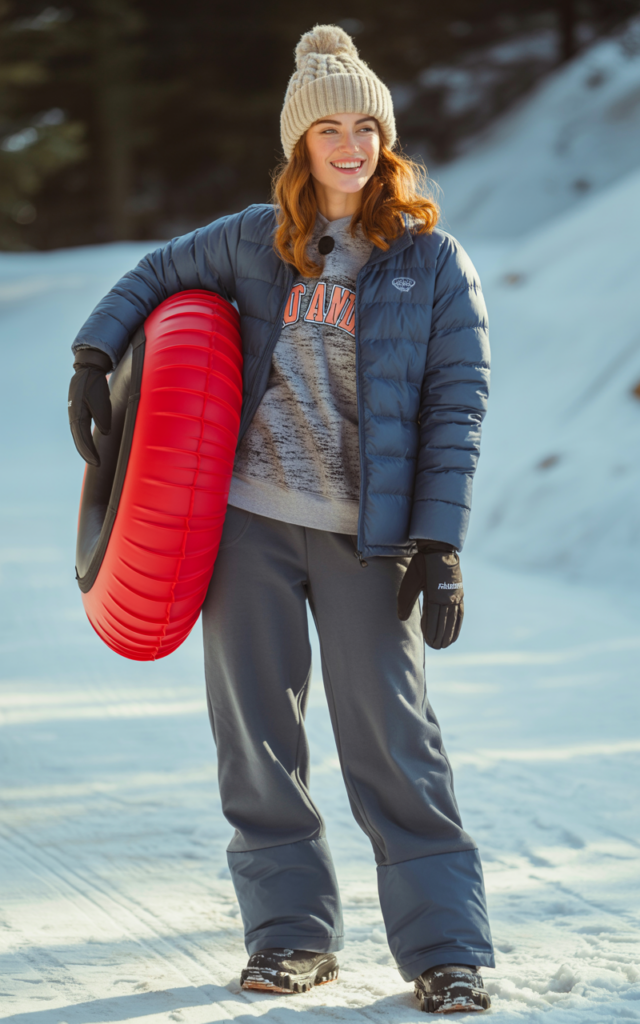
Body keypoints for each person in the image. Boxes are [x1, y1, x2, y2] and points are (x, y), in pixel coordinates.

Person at [68, 24, 494, 1015]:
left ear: (384, 138)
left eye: (365, 127)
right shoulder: (253, 239)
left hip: (368, 533)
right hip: (247, 525)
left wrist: (439, 543)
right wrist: (94, 358)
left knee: (394, 741)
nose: (349, 146)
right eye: (328, 130)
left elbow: (457, 403)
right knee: (256, 739)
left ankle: (445, 950)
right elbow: (147, 278)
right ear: (301, 144)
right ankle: (291, 938)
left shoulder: (430, 260)